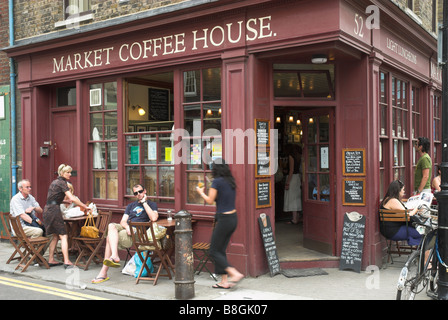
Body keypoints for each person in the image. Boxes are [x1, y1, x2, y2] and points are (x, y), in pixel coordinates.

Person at [92, 184, 158, 284]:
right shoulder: (131, 206)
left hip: (138, 233)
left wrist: (144, 202)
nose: (138, 194)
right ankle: (114, 255)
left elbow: (153, 218)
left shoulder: (152, 205)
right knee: (111, 226)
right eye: (136, 193)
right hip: (127, 228)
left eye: (140, 192)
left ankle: (104, 272)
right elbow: (123, 221)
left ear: (145, 191)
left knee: (110, 237)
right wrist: (127, 227)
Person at [196, 159, 244, 289]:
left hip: (224, 219)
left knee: (213, 250)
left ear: (215, 169)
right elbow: (222, 198)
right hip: (233, 218)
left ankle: (234, 273)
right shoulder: (230, 181)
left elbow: (210, 201)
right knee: (221, 250)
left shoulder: (217, 182)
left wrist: (201, 193)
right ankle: (224, 282)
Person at [43, 164, 91, 268]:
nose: (70, 174)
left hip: (48, 209)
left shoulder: (54, 182)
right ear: (61, 173)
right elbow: (73, 198)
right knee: (63, 235)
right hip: (54, 211)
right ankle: (67, 261)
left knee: (55, 236)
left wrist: (64, 200)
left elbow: (52, 198)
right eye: (67, 172)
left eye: (70, 172)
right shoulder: (62, 182)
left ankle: (51, 259)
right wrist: (85, 206)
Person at [379, 180, 422, 246]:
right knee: (423, 234)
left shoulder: (388, 199)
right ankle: (421, 252)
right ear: (398, 190)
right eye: (403, 189)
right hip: (393, 232)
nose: (404, 191)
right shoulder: (393, 201)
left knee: (420, 231)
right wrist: (417, 209)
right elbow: (408, 215)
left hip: (388, 230)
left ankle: (417, 248)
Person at [283, 144, 302, 224]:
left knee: (292, 198)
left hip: (292, 178)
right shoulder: (299, 156)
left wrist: (287, 182)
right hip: (297, 177)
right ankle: (297, 217)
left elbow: (291, 170)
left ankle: (294, 219)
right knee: (296, 197)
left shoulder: (291, 157)